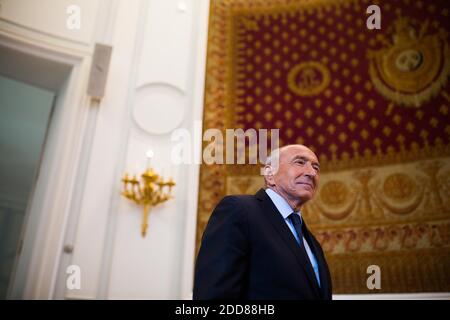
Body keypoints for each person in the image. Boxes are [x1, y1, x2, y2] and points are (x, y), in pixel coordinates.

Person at [193, 144, 332, 300]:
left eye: (316, 167)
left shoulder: (311, 241)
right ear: (270, 174)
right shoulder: (239, 210)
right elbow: (214, 294)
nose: (311, 172)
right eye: (300, 162)